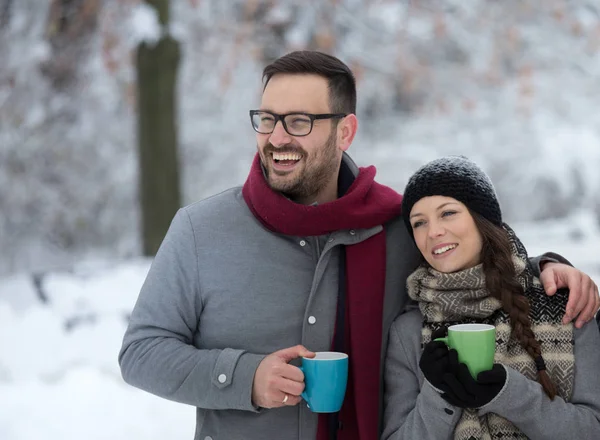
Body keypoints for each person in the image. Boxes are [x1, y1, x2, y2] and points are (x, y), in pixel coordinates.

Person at [119, 51, 599, 440]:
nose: (277, 138)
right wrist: (243, 378)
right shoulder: (202, 231)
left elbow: (469, 260)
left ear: (344, 131)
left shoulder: (393, 228)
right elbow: (141, 352)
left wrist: (548, 271)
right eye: (267, 119)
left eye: (299, 121)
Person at [382, 156, 600, 439]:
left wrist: (509, 393)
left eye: (447, 213)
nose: (433, 231)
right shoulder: (408, 331)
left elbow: (593, 429)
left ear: (481, 218)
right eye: (419, 222)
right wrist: (438, 393)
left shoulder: (565, 303)